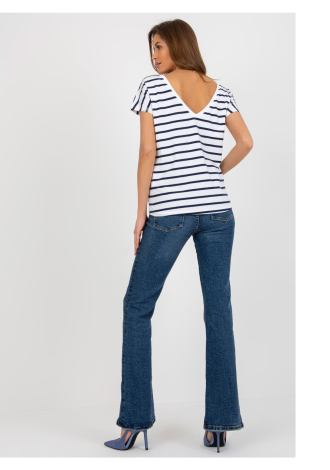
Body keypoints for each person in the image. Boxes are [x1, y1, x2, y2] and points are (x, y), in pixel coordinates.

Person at [104, 19, 253, 453]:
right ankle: (219, 425)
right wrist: (214, 172)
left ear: (178, 45)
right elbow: (246, 142)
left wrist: (140, 214)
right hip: (218, 212)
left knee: (137, 306)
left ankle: (134, 423)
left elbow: (147, 151)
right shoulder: (220, 90)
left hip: (169, 212)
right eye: (151, 48)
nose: (154, 56)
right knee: (218, 311)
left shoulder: (152, 87)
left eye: (159, 46)